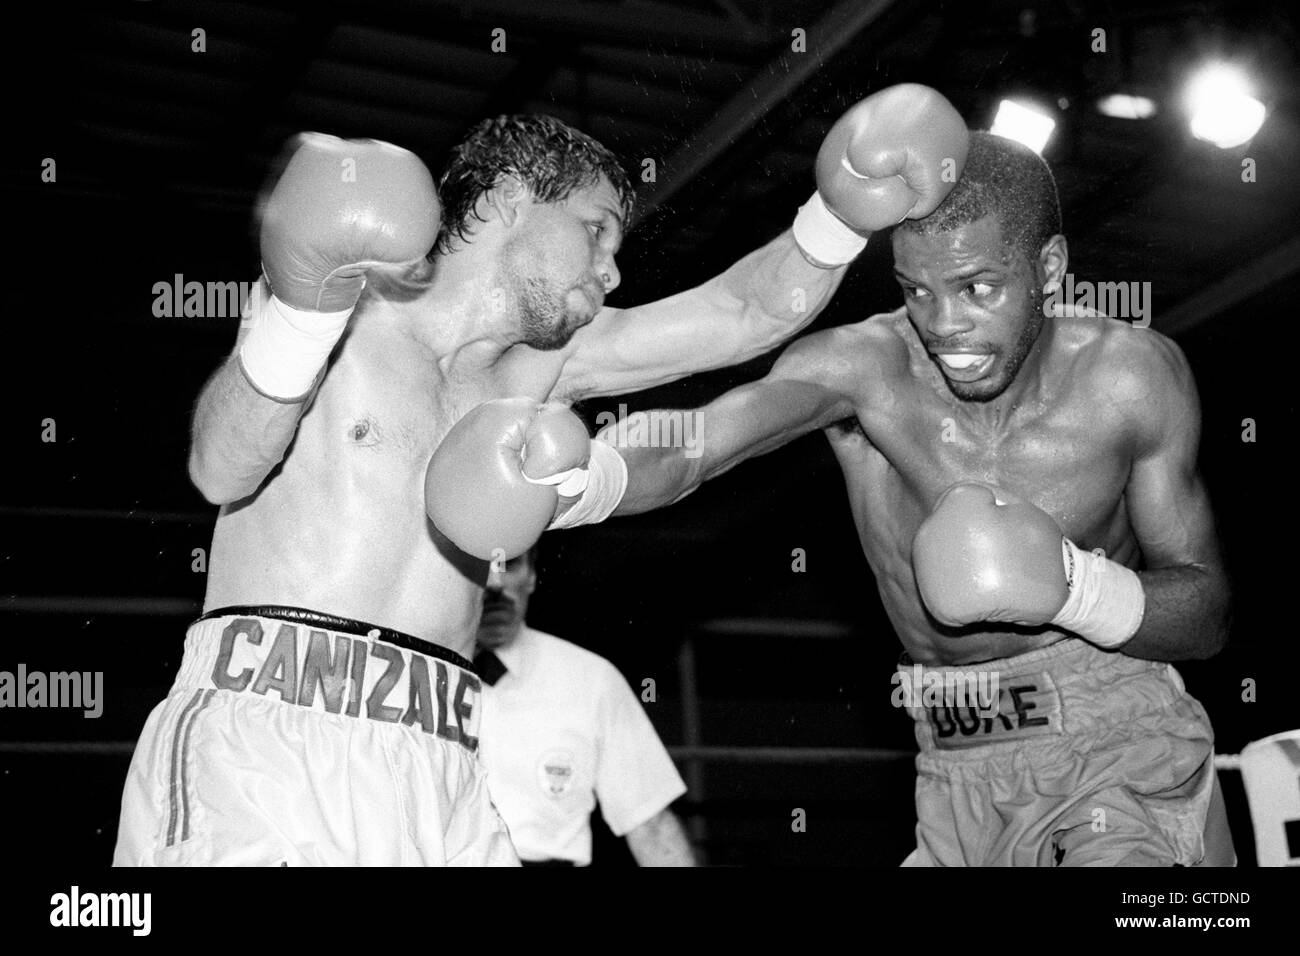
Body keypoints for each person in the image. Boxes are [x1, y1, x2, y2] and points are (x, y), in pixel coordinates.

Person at [113, 87, 968, 865]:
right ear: (510, 198)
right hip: (271, 734)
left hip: (441, 754)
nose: (612, 270)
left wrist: (843, 214)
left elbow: (744, 312)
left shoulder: (550, 367)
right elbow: (219, 466)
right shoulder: (341, 305)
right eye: (595, 231)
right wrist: (298, 316)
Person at [597, 131, 1237, 867]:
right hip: (947, 769)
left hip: (1111, 753)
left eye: (978, 288)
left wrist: (1074, 589)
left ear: (1050, 269)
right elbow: (700, 441)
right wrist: (590, 477)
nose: (944, 325)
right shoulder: (866, 369)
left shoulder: (1128, 379)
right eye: (917, 291)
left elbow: (1207, 616)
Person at [473, 546, 694, 866]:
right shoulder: (412, 671)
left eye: (510, 564)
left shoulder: (592, 679)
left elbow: (652, 827)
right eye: (481, 565)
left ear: (532, 575)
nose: (495, 582)